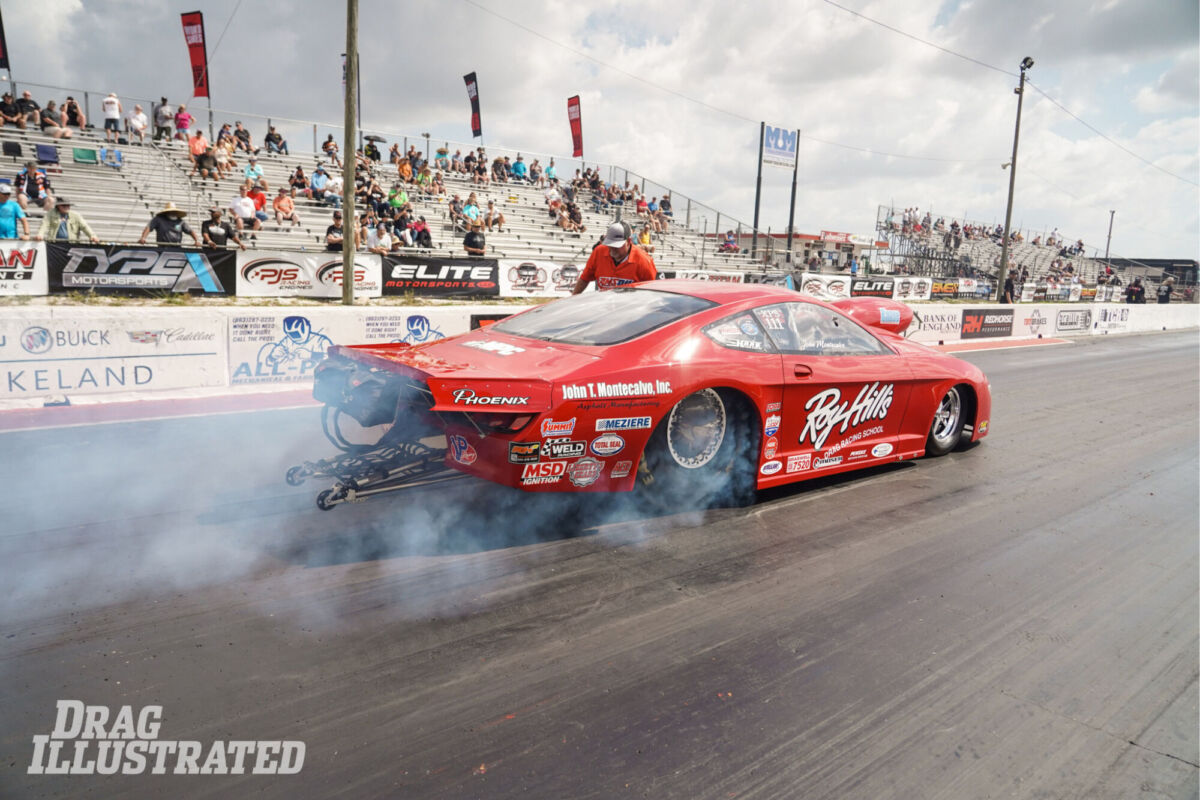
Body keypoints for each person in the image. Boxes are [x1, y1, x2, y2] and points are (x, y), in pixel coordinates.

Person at [573, 221, 657, 293]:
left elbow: (651, 292)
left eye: (617, 245)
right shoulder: (599, 252)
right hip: (604, 306)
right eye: (610, 243)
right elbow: (584, 279)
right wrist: (574, 296)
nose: (612, 248)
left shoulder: (644, 261)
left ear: (628, 241)